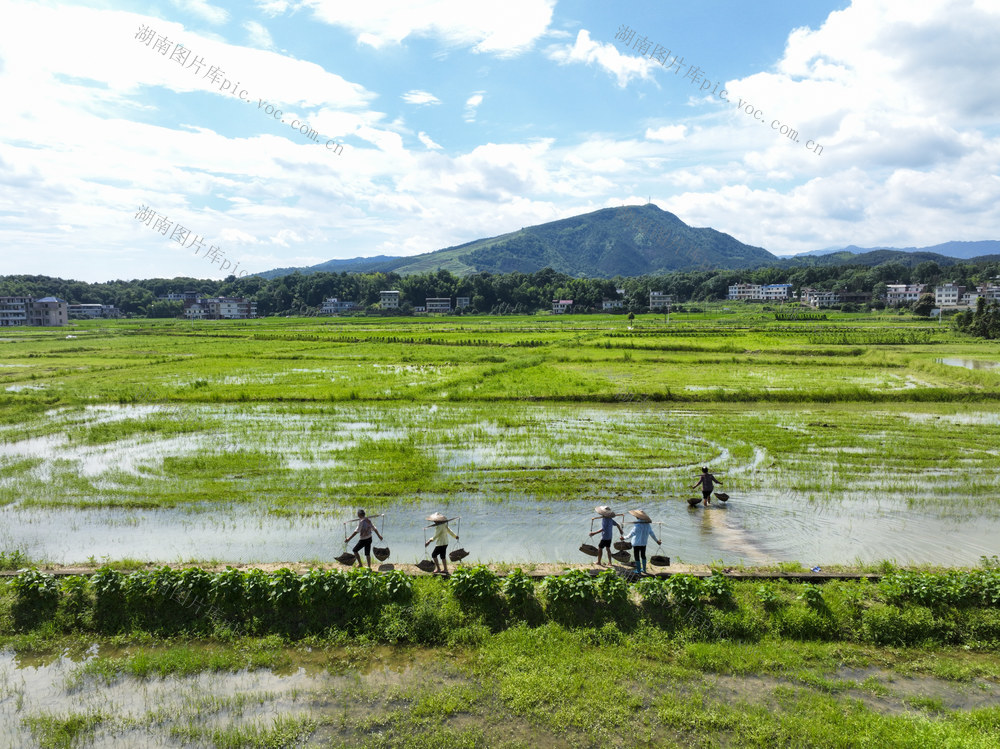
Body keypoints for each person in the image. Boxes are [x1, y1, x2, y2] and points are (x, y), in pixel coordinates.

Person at [626, 509, 660, 576]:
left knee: (637, 556)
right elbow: (652, 534)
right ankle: (644, 569)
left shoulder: (637, 525)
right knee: (643, 555)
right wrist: (657, 541)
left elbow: (631, 534)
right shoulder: (647, 525)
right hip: (643, 543)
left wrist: (624, 537)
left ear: (637, 517)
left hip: (636, 544)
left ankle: (638, 570)